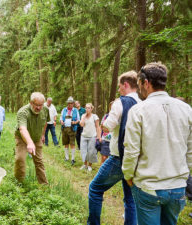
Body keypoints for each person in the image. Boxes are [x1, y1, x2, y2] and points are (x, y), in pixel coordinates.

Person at [122, 62, 192, 225]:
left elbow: (131, 150)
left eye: (139, 84)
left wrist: (128, 176)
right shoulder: (186, 109)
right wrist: (186, 175)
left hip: (149, 187)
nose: (139, 88)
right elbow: (190, 150)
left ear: (146, 83)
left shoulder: (138, 110)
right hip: (177, 187)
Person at [87, 71, 141, 225]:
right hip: (137, 157)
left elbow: (107, 127)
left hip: (119, 157)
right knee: (131, 199)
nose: (118, 90)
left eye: (119, 87)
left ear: (125, 85)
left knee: (95, 189)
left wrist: (105, 124)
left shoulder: (120, 102)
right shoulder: (143, 102)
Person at [14, 92, 50, 184]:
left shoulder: (45, 109)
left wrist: (42, 134)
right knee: (20, 159)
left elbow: (45, 122)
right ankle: (20, 182)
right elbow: (22, 129)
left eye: (40, 105)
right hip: (22, 138)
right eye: (36, 105)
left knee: (39, 161)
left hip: (36, 138)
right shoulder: (23, 112)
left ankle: (43, 184)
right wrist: (29, 143)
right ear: (31, 103)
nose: (38, 108)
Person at [79, 103, 101, 171]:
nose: (87, 109)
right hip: (84, 136)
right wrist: (83, 117)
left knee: (91, 152)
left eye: (89, 108)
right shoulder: (83, 115)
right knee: (83, 151)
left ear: (91, 109)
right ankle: (85, 165)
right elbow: (81, 125)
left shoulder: (95, 116)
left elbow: (97, 127)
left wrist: (98, 136)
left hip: (92, 136)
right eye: (86, 108)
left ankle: (89, 166)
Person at [60, 97, 80, 165]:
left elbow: (78, 119)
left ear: (73, 103)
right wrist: (61, 121)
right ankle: (66, 157)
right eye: (69, 103)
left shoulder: (75, 110)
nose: (70, 104)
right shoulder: (64, 110)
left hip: (72, 129)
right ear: (67, 103)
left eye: (71, 103)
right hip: (65, 128)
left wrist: (74, 122)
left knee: (72, 143)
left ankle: (73, 159)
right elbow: (60, 118)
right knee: (66, 143)